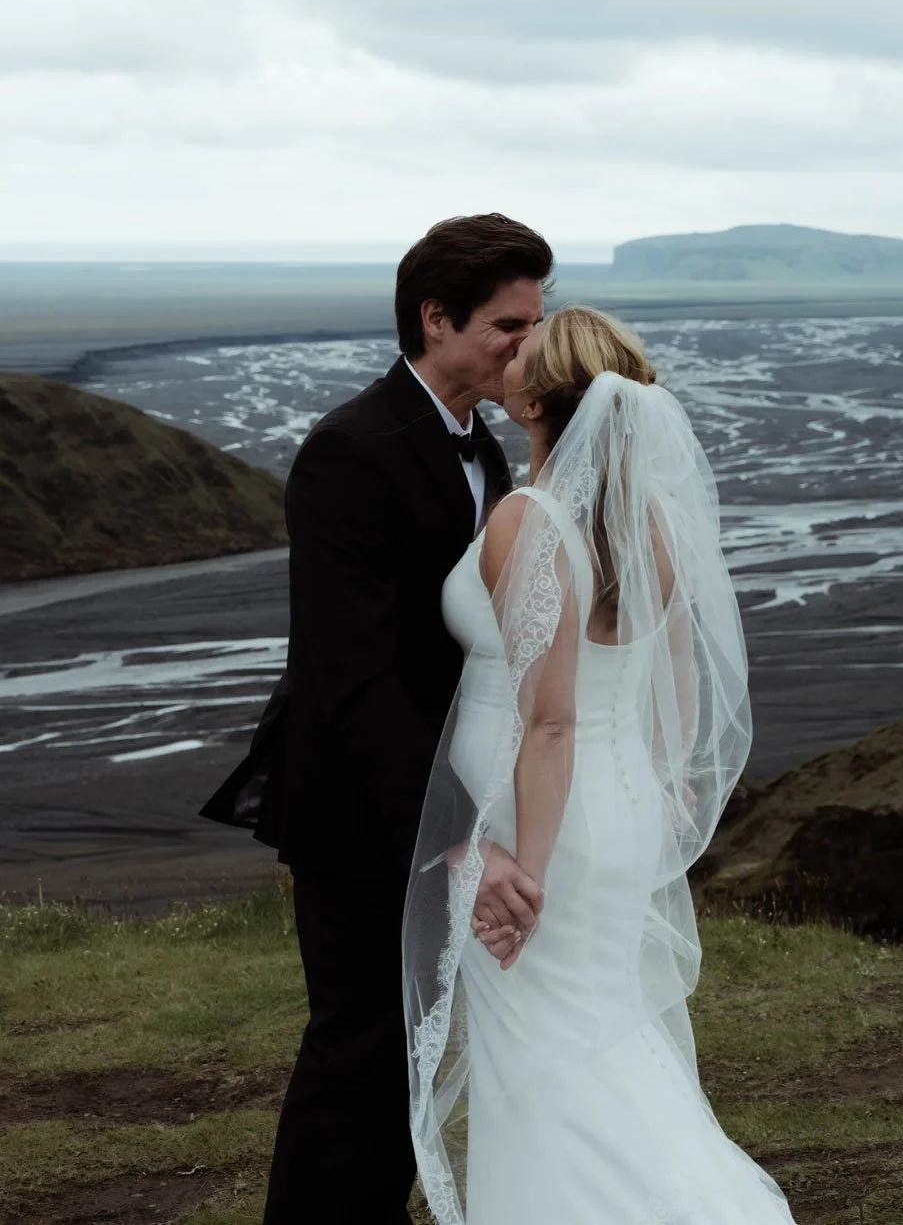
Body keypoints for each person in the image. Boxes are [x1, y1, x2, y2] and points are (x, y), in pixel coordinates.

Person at [403, 307, 799, 1224]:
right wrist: (665, 782)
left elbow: (549, 724)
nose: (513, 348)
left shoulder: (529, 520)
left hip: (545, 826)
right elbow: (679, 676)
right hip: (615, 812)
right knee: (600, 1032)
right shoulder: (649, 523)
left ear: (538, 401)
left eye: (528, 349)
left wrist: (525, 874)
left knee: (542, 1056)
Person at [200, 213, 553, 1224]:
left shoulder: (483, 451)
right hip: (363, 813)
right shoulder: (348, 453)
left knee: (414, 1047)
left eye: (536, 321)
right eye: (506, 326)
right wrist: (454, 839)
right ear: (434, 319)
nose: (527, 346)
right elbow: (346, 680)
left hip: (448, 794)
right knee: (358, 1052)